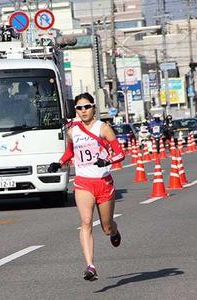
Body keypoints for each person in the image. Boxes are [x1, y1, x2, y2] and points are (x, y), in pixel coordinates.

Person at [48, 92, 125, 281]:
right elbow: (69, 152)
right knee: (86, 221)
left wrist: (106, 160)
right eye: (79, 108)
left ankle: (114, 231)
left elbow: (120, 154)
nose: (83, 111)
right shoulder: (72, 131)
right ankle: (90, 266)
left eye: (87, 106)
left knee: (106, 227)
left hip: (103, 182)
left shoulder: (104, 128)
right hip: (83, 182)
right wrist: (59, 163)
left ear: (94, 108)